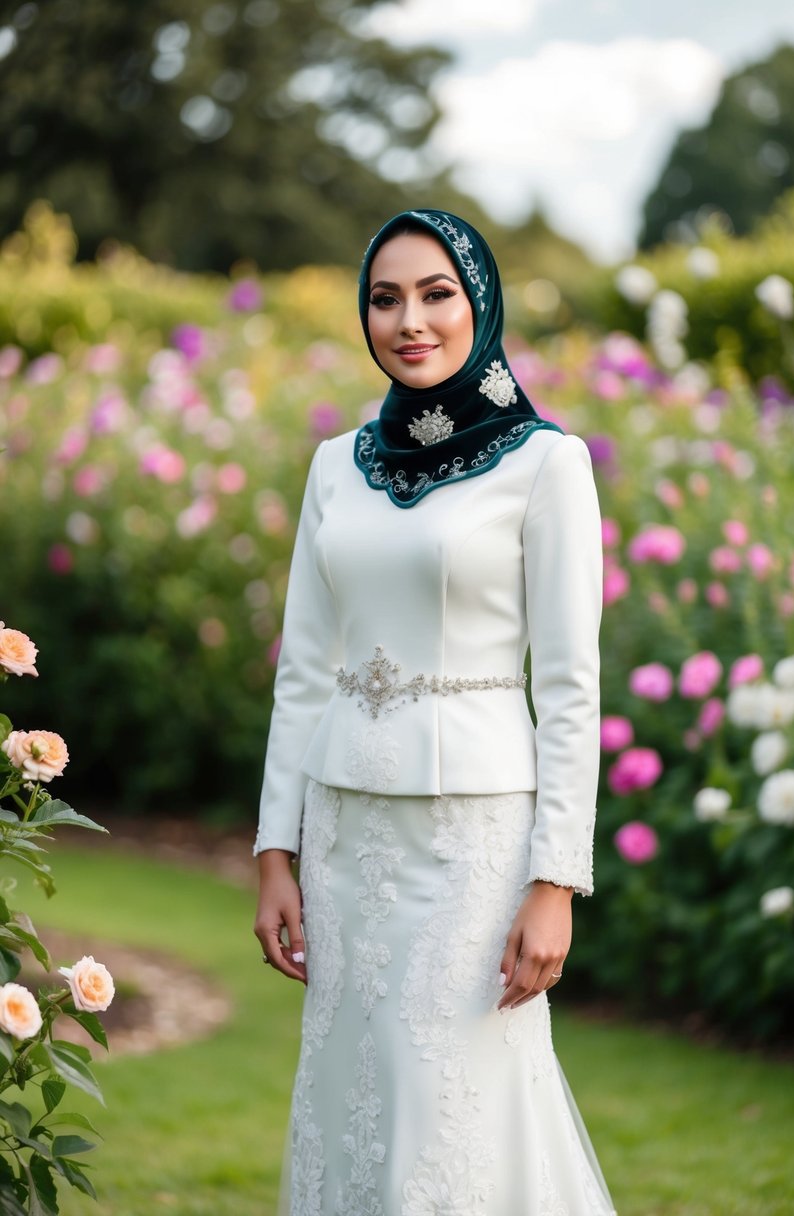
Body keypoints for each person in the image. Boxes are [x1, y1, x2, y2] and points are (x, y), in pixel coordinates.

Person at [253, 208, 616, 1216]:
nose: (409, 319)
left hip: (472, 845)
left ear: (479, 301)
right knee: (348, 1100)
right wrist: (272, 850)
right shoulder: (337, 465)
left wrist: (555, 881)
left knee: (447, 1104)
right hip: (340, 832)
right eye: (384, 298)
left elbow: (573, 687)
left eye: (435, 293)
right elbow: (303, 671)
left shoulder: (547, 464)